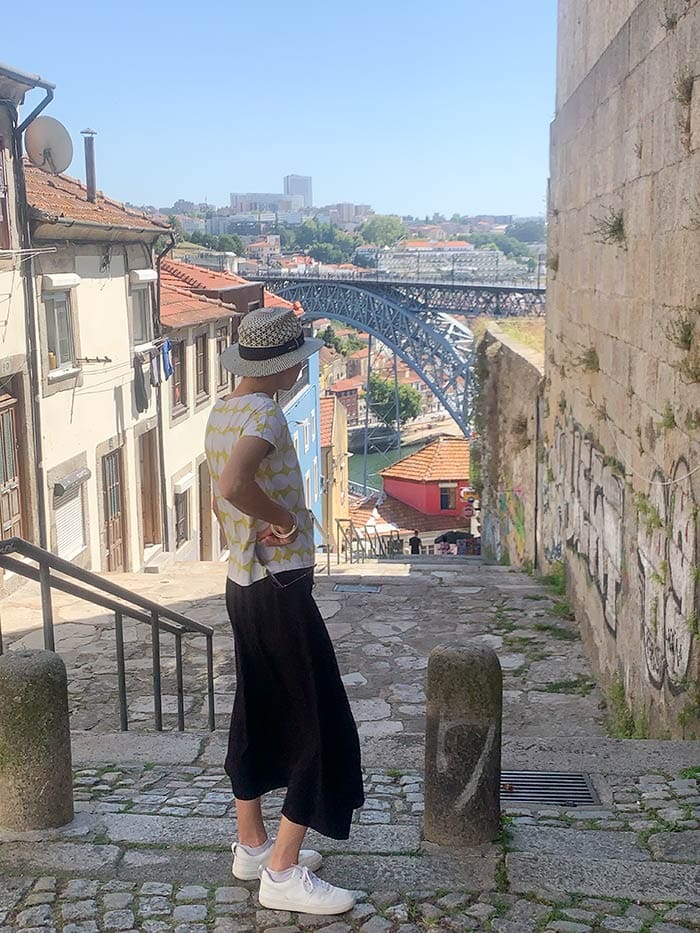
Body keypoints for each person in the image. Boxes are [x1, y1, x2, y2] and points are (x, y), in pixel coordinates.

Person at [205, 307, 364, 916]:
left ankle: (251, 845)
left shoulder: (224, 408)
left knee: (257, 707)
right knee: (316, 723)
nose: (304, 366)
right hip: (276, 585)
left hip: (242, 583)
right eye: (299, 359)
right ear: (281, 367)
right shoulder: (267, 411)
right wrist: (282, 518)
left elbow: (226, 487)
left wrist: (256, 520)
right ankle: (282, 872)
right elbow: (233, 485)